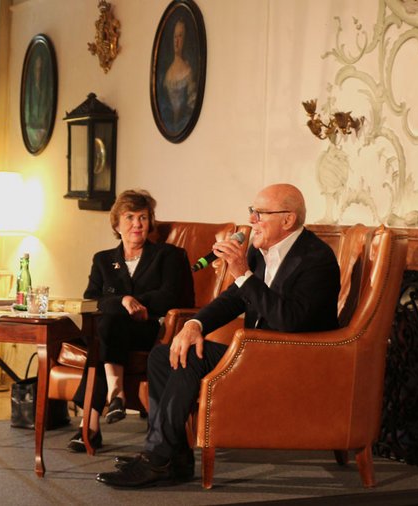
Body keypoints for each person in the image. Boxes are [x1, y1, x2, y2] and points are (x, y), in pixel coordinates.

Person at [95, 183, 341, 487]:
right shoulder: (261, 252)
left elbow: (290, 320)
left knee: (190, 358)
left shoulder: (317, 258)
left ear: (288, 220)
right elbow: (234, 299)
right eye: (253, 212)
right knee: (165, 354)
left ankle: (157, 458)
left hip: (289, 359)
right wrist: (194, 325)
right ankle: (176, 458)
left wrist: (241, 272)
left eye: (260, 213)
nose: (252, 220)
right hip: (258, 352)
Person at [67, 189, 194, 453]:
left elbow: (172, 295)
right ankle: (114, 397)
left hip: (151, 329)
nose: (137, 224)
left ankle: (90, 424)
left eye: (143, 217)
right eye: (130, 217)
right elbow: (91, 299)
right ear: (116, 224)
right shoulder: (103, 260)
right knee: (106, 325)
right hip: (113, 329)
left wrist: (138, 305)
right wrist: (123, 300)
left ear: (151, 222)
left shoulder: (168, 255)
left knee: (103, 331)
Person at [161, 18, 197, 133]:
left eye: (180, 36)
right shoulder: (167, 73)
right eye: (175, 37)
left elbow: (191, 108)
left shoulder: (188, 72)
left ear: (185, 40)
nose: (176, 41)